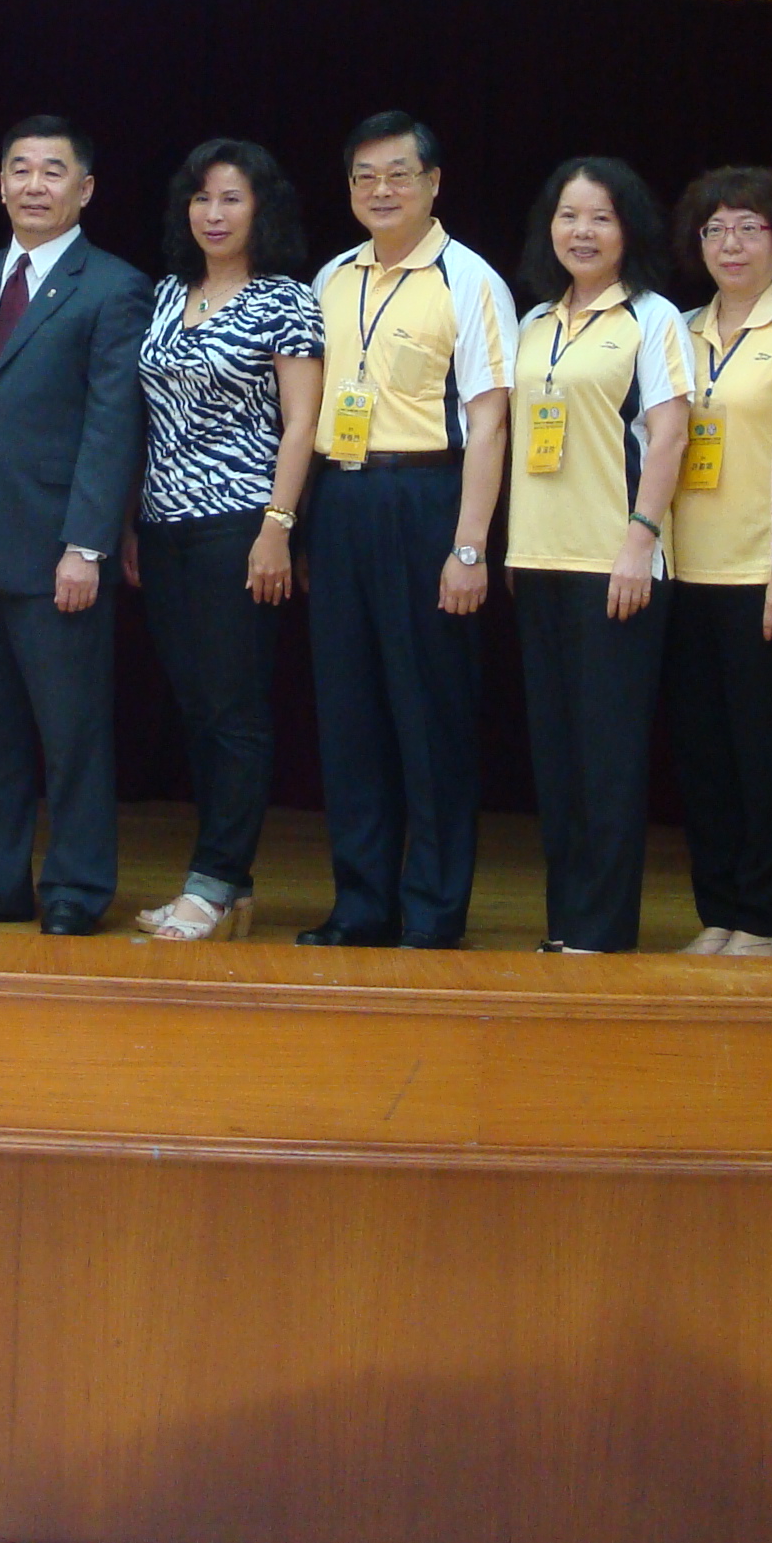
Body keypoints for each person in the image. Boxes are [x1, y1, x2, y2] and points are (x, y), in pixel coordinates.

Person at [0, 116, 152, 936]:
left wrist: (87, 544)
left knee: (72, 733)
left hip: (59, 550)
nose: (34, 185)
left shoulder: (114, 286)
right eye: (20, 169)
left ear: (84, 190)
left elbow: (112, 426)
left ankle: (77, 888)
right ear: (0, 184)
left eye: (53, 171)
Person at [299, 112, 514, 948]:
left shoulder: (471, 280)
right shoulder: (331, 276)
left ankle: (431, 911)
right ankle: (361, 905)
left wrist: (469, 547)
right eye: (364, 177)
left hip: (429, 497)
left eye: (398, 174)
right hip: (342, 498)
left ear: (433, 182)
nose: (380, 190)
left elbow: (489, 424)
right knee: (348, 714)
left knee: (430, 718)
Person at [124, 139, 324, 941]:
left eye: (231, 198)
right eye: (201, 197)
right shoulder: (167, 293)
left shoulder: (286, 300)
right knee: (197, 708)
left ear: (261, 209)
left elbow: (302, 424)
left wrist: (279, 526)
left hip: (241, 523)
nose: (213, 213)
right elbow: (146, 415)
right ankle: (229, 883)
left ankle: (209, 883)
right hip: (162, 526)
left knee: (235, 709)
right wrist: (131, 521)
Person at [503, 157, 696, 956]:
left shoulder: (652, 318)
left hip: (615, 565)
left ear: (628, 230)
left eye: (600, 218)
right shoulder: (534, 321)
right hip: (538, 562)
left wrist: (640, 540)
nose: (582, 232)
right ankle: (567, 924)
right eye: (568, 216)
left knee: (607, 756)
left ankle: (603, 929)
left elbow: (671, 435)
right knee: (556, 755)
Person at [662, 166, 772, 957]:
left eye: (748, 228)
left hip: (761, 576)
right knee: (702, 755)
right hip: (683, 576)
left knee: (762, 753)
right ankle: (719, 910)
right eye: (715, 229)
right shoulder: (677, 329)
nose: (730, 244)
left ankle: (762, 918)